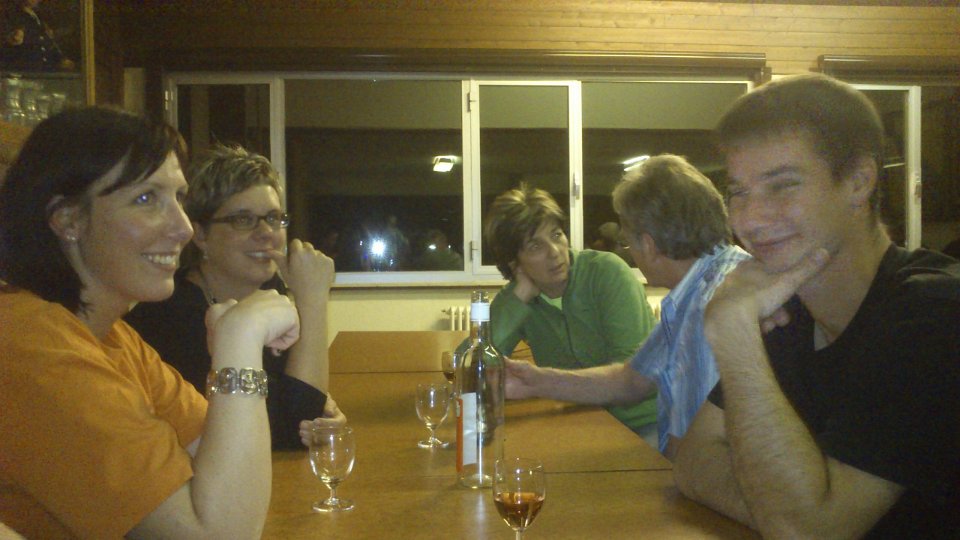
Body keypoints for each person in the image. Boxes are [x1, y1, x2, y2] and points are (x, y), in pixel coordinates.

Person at [673, 73, 960, 538]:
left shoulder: (936, 312)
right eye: (739, 191)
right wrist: (775, 509)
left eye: (782, 185)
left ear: (858, 182)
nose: (750, 219)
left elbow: (806, 531)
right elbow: (692, 461)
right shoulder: (790, 310)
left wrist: (734, 333)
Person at [0, 107, 298, 537]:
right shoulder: (31, 346)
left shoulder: (111, 336)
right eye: (146, 199)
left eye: (179, 198)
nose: (183, 227)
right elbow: (219, 533)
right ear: (69, 220)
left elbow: (228, 473)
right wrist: (240, 342)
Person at [502, 156, 749, 458]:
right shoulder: (697, 288)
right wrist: (535, 382)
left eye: (628, 243)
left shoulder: (710, 307)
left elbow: (699, 453)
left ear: (649, 245)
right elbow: (631, 380)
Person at [126, 144, 343, 450]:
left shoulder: (268, 293)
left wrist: (324, 412)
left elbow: (298, 403)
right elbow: (284, 431)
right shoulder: (172, 317)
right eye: (243, 220)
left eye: (273, 217)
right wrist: (313, 298)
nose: (266, 232)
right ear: (201, 235)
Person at [484, 184, 659, 443]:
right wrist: (519, 296)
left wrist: (542, 383)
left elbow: (632, 377)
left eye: (556, 235)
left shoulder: (606, 273)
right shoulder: (516, 299)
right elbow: (474, 368)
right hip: (577, 423)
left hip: (644, 423)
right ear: (514, 262)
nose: (555, 252)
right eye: (535, 246)